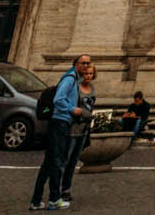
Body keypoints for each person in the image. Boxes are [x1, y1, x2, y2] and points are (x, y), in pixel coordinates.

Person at [30, 54, 91, 212]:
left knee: (48, 164)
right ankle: (54, 199)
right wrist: (72, 109)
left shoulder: (74, 79)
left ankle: (36, 201)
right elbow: (58, 99)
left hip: (61, 122)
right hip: (60, 122)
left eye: (88, 63)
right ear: (76, 64)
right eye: (83, 63)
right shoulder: (70, 79)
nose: (86, 66)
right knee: (57, 162)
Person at [58, 62, 95, 207]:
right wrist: (72, 110)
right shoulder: (73, 86)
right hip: (72, 127)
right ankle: (57, 191)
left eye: (91, 73)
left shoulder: (92, 89)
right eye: (86, 73)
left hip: (84, 128)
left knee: (73, 162)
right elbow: (61, 100)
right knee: (65, 160)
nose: (88, 76)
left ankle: (66, 190)